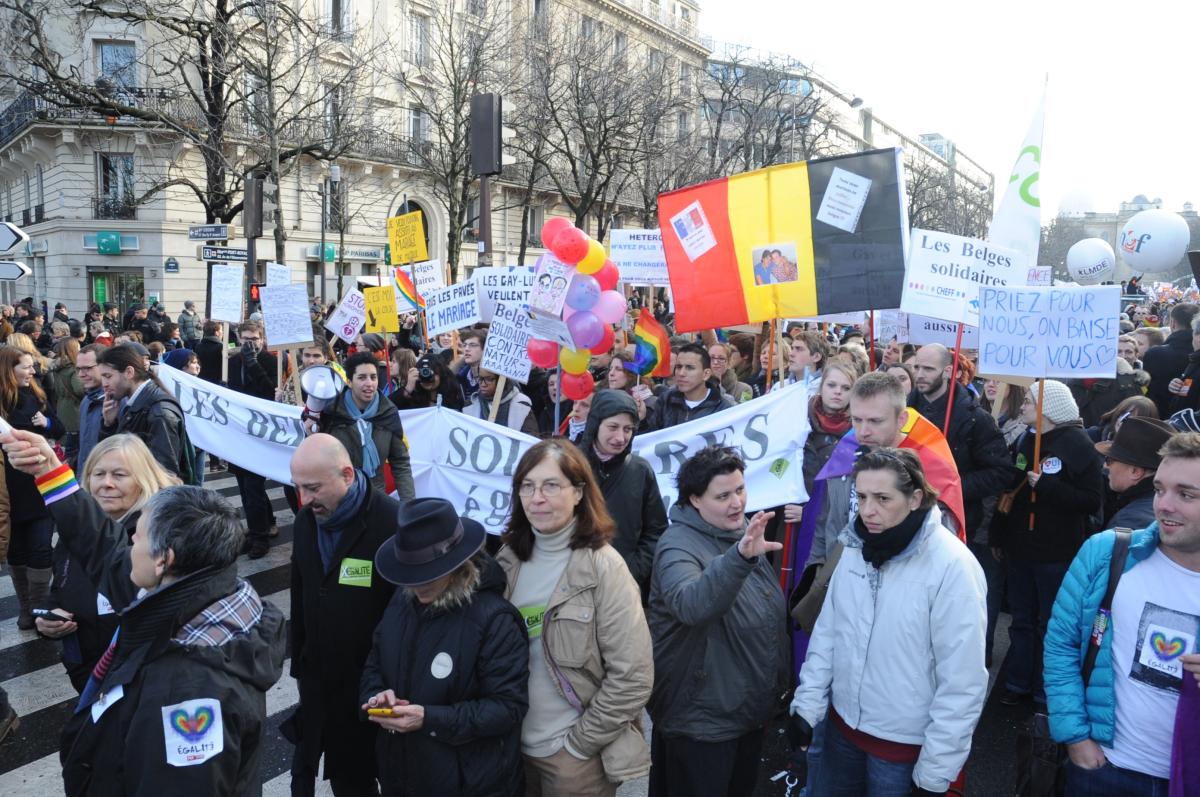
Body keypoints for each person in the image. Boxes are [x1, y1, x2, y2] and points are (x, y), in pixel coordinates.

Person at [1, 428, 286, 794]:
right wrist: (49, 469)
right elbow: (100, 545)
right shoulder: (192, 593)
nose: (127, 543)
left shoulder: (186, 688)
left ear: (163, 560)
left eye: (136, 537)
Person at [790, 448, 988, 795]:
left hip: (903, 750)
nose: (868, 511)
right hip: (841, 731)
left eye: (883, 498)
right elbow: (828, 634)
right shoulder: (855, 546)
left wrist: (935, 773)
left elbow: (962, 681)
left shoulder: (953, 567)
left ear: (914, 498)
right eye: (862, 496)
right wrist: (806, 707)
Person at [1044, 432, 1200, 796]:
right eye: (1160, 489)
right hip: (1104, 769)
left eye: (1186, 494)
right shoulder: (1107, 553)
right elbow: (1062, 645)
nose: (1164, 505)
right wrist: (1075, 737)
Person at [496, 439, 653, 797]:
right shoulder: (507, 560)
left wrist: (579, 746)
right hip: (510, 751)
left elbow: (633, 676)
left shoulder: (605, 568)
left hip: (572, 761)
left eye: (551, 485)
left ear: (579, 492)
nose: (537, 498)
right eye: (527, 486)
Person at [359, 498, 530, 797]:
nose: (418, 585)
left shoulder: (494, 619)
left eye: (429, 574)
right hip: (403, 776)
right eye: (410, 574)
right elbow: (375, 659)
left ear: (457, 564)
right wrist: (376, 695)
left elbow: (508, 708)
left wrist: (429, 719)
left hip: (470, 784)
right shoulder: (402, 598)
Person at [647, 446, 788, 797]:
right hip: (701, 724)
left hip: (742, 716)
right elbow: (692, 605)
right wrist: (739, 558)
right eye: (723, 495)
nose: (737, 502)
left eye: (740, 489)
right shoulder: (677, 545)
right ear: (695, 499)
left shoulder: (741, 532)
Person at [287, 434, 399, 796]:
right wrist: (300, 662)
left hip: (376, 690)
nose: (303, 500)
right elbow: (300, 592)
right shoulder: (306, 520)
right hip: (322, 685)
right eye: (297, 487)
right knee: (348, 783)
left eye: (313, 488)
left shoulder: (391, 523)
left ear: (347, 475)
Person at [35, 434, 180, 691]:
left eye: (119, 475)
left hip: (136, 678)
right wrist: (49, 618)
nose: (106, 484)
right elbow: (61, 584)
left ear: (143, 480)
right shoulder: (75, 529)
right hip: (84, 667)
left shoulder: (156, 539)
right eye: (98, 474)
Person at [991, 380, 1104, 706]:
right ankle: (1017, 683)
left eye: (1029, 401)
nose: (1023, 405)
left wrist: (1049, 487)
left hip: (1055, 551)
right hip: (1021, 547)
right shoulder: (1028, 439)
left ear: (1048, 408)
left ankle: (1044, 690)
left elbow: (1090, 500)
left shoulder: (1079, 446)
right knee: (1021, 620)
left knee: (1050, 623)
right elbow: (1012, 487)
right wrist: (1000, 533)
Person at [576, 389, 667, 599]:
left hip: (625, 586)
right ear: (595, 424)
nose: (620, 437)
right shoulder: (571, 466)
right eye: (613, 427)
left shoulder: (640, 470)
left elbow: (656, 530)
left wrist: (633, 569)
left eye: (628, 429)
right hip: (573, 584)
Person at [0, 344, 64, 629]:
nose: (32, 371)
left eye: (31, 366)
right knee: (17, 552)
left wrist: (47, 421)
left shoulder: (36, 394)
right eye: (25, 366)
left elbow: (59, 427)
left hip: (39, 485)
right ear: (8, 369)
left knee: (40, 549)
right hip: (8, 489)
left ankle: (39, 610)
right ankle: (26, 610)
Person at [783, 360, 856, 568]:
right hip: (788, 520)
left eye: (845, 388)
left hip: (828, 529)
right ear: (821, 386)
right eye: (831, 385)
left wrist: (808, 513)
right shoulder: (797, 421)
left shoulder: (858, 432)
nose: (837, 392)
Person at [321, 351, 416, 501]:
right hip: (340, 500)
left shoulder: (388, 412)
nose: (369, 383)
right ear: (349, 381)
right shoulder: (332, 413)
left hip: (376, 498)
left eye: (373, 377)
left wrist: (408, 504)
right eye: (362, 377)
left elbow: (400, 463)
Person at [225, 319, 278, 557]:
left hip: (259, 432)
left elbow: (269, 391)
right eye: (246, 339)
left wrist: (253, 363)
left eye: (254, 339)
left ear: (262, 339)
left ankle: (260, 536)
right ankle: (265, 521)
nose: (250, 344)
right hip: (238, 432)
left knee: (253, 485)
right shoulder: (232, 362)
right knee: (244, 486)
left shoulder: (270, 361)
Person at [96, 343, 188, 479]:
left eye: (108, 376)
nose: (104, 384)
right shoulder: (132, 404)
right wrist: (109, 425)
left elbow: (165, 473)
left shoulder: (160, 412)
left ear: (129, 372)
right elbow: (111, 458)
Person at [1096, 416, 1176, 530]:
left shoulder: (1126, 524)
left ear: (1135, 472)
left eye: (1109, 460)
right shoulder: (1171, 506)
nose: (1105, 466)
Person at [643, 343, 733, 431]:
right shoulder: (666, 400)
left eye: (690, 368)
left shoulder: (723, 408)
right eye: (678, 367)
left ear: (706, 374)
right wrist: (642, 421)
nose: (681, 373)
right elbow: (651, 439)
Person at [1143, 302, 1199, 416]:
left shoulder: (1155, 354)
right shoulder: (1192, 357)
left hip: (1164, 419)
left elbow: (1149, 391)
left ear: (1172, 323)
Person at [464, 369, 539, 435]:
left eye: (489, 379)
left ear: (501, 380)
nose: (483, 384)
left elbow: (529, 438)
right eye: (480, 378)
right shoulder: (471, 404)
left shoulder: (521, 403)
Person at [48, 337, 86, 467]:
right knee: (75, 448)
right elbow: (80, 389)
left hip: (62, 408)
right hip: (74, 411)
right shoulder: (73, 368)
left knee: (67, 445)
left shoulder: (58, 366)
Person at [391, 352, 465, 411]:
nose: (426, 377)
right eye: (422, 372)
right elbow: (388, 409)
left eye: (431, 372)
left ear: (441, 374)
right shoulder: (412, 399)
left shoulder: (454, 396)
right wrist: (407, 389)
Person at [75, 343, 108, 470]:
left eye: (87, 368)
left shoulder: (118, 401)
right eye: (79, 369)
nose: (81, 374)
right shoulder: (86, 401)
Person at [773, 330, 829, 398]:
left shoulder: (825, 390)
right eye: (792, 348)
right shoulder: (779, 387)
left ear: (816, 357)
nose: (791, 354)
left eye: (799, 349)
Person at [457, 329, 486, 403]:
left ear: (484, 349)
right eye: (464, 345)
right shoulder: (460, 377)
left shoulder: (494, 379)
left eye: (472, 345)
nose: (466, 349)